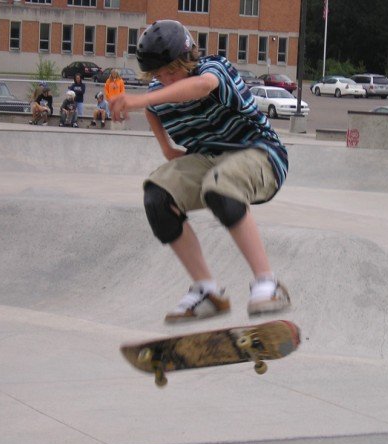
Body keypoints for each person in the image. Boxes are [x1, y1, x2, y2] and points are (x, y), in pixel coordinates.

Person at [109, 20, 290, 322]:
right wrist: (166, 148)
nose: (165, 80)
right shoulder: (159, 91)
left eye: (171, 71)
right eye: (158, 75)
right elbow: (154, 111)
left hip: (261, 153)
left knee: (220, 187)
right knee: (157, 196)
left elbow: (201, 87)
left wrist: (140, 99)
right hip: (207, 158)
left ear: (187, 60)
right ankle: (208, 292)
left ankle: (267, 284)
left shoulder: (214, 69)